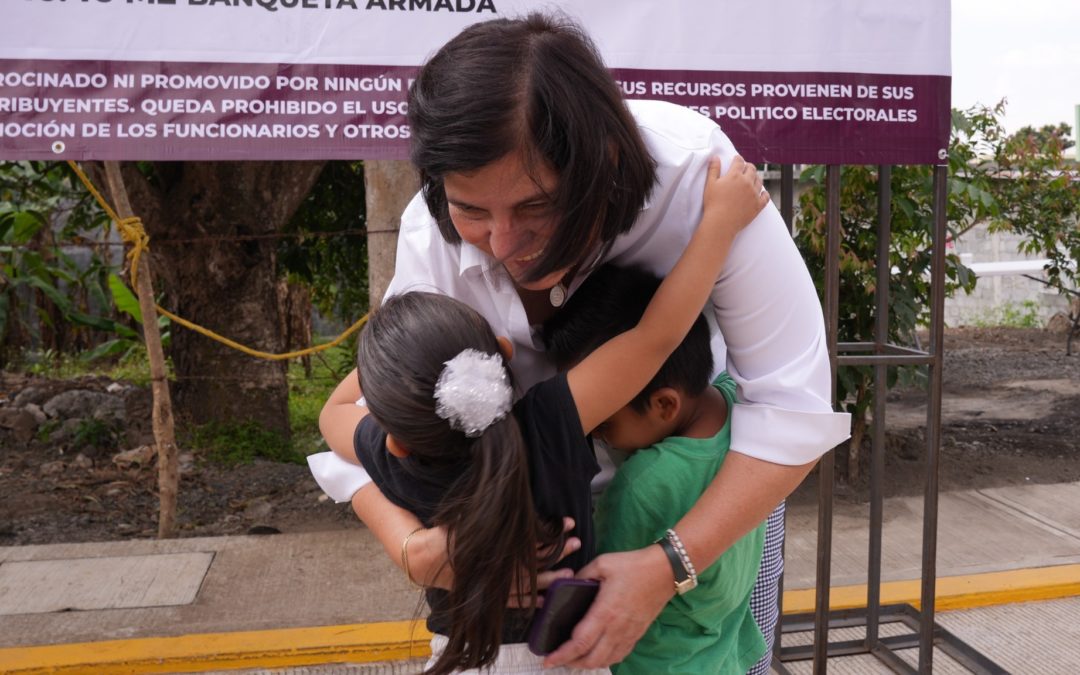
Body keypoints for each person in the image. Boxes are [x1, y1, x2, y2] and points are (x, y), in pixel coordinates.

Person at [313, 11, 851, 673]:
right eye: (472, 210)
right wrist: (415, 547)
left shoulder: (698, 178)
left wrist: (668, 564)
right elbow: (654, 338)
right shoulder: (438, 242)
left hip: (711, 502)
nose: (504, 245)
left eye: (535, 207)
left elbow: (791, 409)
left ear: (607, 165)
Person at [319, 158, 767, 674]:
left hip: (464, 660)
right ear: (506, 352)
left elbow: (334, 413)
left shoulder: (396, 454)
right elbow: (655, 336)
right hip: (568, 656)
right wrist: (721, 223)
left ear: (396, 439)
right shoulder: (551, 421)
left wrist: (391, 376)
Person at [543, 265, 767, 674]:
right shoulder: (742, 409)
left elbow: (602, 584)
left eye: (604, 423)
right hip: (723, 648)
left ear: (664, 405)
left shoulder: (642, 485)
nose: (593, 433)